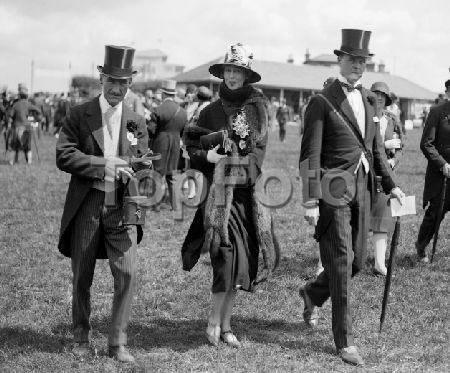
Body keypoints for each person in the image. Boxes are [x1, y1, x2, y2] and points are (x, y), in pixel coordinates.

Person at [299, 29, 405, 366]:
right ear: (340, 59)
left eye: (363, 60)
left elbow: (374, 151)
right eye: (352, 59)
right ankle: (344, 342)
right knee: (343, 262)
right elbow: (309, 155)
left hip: (364, 190)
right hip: (332, 191)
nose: (358, 65)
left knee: (359, 262)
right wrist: (310, 200)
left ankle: (313, 292)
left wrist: (392, 186)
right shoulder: (321, 101)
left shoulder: (373, 100)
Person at [181, 43, 278, 349]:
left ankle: (226, 325)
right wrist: (207, 158)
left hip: (247, 197)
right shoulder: (208, 111)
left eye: (239, 71)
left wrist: (239, 163)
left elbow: (259, 153)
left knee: (241, 265)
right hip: (218, 198)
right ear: (223, 73)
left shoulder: (257, 110)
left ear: (247, 76)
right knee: (223, 259)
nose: (233, 76)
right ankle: (212, 322)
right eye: (229, 70)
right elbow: (192, 147)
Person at [56, 45, 148, 363]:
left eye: (122, 83)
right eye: (111, 81)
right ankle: (80, 336)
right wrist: (103, 164)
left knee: (128, 272)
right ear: (101, 78)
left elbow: (143, 164)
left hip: (121, 206)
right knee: (82, 274)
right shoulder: (80, 114)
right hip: (88, 202)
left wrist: (134, 202)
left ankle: (117, 342)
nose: (116, 88)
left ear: (130, 85)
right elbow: (64, 154)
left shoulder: (136, 122)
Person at [370, 82, 403, 276]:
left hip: (385, 175)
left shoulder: (392, 120)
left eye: (383, 95)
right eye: (376, 94)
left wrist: (393, 161)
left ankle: (379, 263)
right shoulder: (362, 117)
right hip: (364, 173)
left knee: (382, 218)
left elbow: (400, 148)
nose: (379, 98)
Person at [415, 90, 450, 263]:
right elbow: (426, 144)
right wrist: (442, 163)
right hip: (440, 174)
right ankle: (421, 247)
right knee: (435, 214)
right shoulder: (437, 112)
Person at [148, 79, 187, 210]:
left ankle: (156, 205)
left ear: (163, 94)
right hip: (176, 143)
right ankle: (176, 205)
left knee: (157, 174)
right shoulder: (182, 111)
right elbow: (183, 131)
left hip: (160, 142)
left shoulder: (157, 109)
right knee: (173, 175)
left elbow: (151, 130)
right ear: (173, 94)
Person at [6, 83, 41, 165]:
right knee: (27, 146)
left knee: (14, 145)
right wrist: (35, 120)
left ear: (19, 95)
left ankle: (11, 162)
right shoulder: (29, 104)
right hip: (27, 127)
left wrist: (9, 124)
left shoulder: (15, 105)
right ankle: (29, 162)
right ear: (26, 96)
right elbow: (38, 111)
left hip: (17, 127)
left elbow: (10, 116)